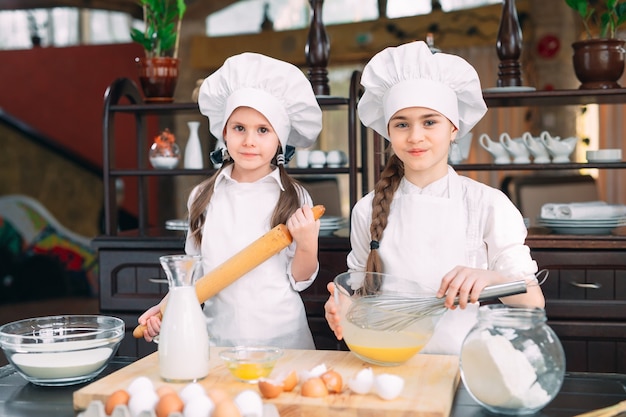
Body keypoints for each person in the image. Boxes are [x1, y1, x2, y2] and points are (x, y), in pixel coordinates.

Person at [324, 40, 545, 355]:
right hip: (388, 362)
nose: (415, 136)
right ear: (388, 132)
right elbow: (358, 294)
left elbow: (533, 304)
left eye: (430, 122)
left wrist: (490, 278)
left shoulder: (488, 205)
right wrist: (341, 309)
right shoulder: (366, 210)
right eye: (402, 124)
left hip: (464, 367)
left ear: (454, 128)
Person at [139, 52, 323, 349]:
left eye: (263, 130)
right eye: (239, 128)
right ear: (224, 132)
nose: (249, 140)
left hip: (284, 342)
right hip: (219, 341)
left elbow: (300, 278)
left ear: (280, 140)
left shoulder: (294, 196)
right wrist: (164, 308)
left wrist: (306, 243)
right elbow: (193, 273)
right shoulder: (202, 196)